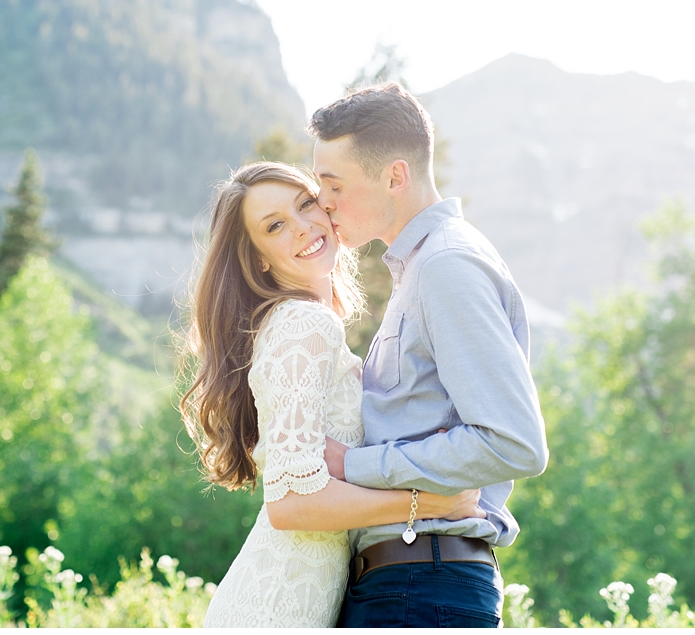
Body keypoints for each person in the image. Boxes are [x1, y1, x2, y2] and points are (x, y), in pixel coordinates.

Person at [183, 161, 484, 627]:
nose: (304, 227)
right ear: (259, 257)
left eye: (306, 204)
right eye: (276, 225)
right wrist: (431, 502)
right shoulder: (303, 324)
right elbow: (290, 504)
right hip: (275, 608)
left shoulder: (307, 326)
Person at [311, 82, 550, 628]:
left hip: (421, 585)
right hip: (409, 581)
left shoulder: (446, 266)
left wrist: (354, 464)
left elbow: (515, 442)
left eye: (334, 185)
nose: (324, 203)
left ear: (394, 175)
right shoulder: (423, 269)